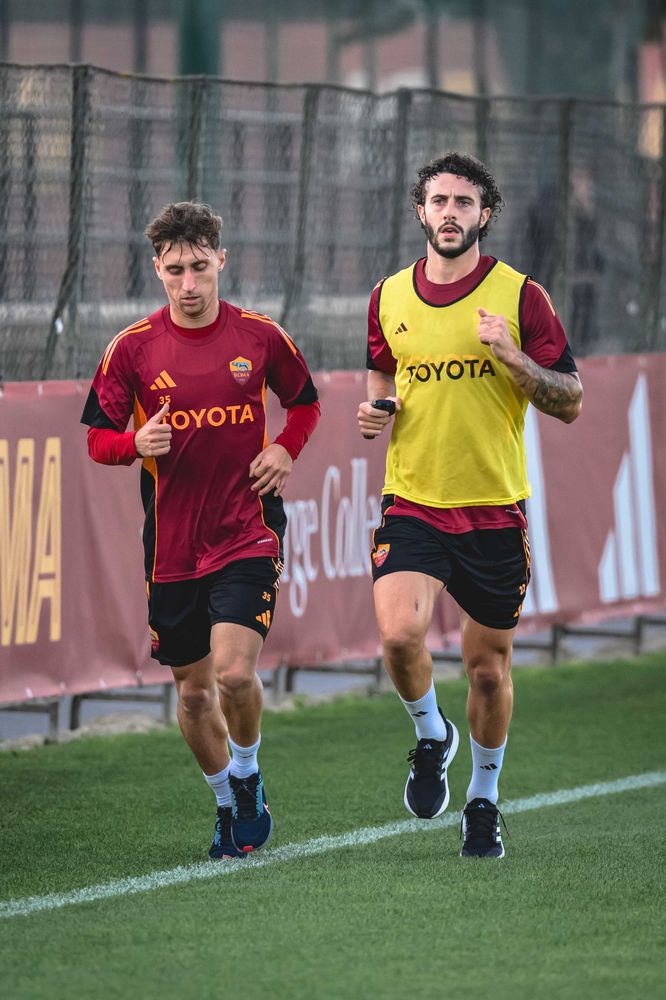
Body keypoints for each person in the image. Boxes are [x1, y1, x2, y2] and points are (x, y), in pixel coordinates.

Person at [358, 152, 582, 858]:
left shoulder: (521, 296)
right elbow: (382, 370)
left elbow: (570, 400)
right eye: (438, 201)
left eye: (464, 202)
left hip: (493, 509)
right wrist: (377, 409)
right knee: (400, 637)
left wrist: (512, 357)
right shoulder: (388, 295)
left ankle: (483, 799)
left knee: (487, 670)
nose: (450, 213)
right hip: (413, 500)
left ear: (486, 214)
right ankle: (432, 734)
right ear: (420, 212)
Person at [81, 201, 320, 859]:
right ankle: (227, 805)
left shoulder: (259, 336)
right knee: (192, 695)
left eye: (199, 267)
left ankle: (246, 774)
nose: (189, 284)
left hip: (247, 531)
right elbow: (97, 438)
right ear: (157, 269)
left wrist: (286, 449)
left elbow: (304, 402)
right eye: (175, 270)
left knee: (235, 676)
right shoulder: (132, 349)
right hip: (172, 547)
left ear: (221, 260)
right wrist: (133, 443)